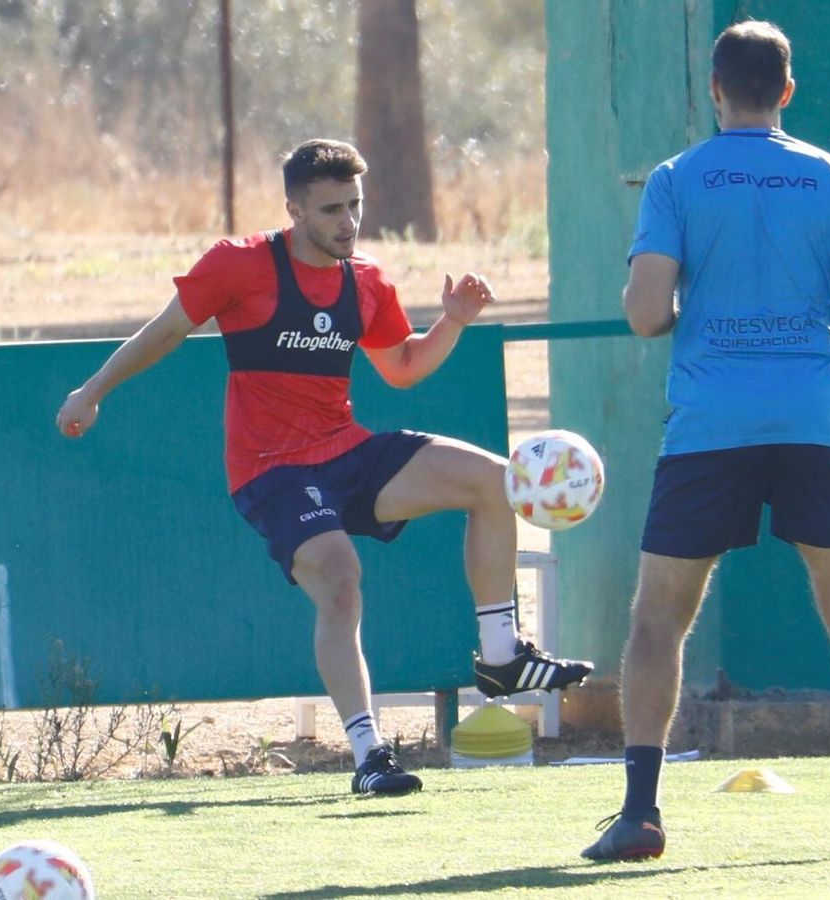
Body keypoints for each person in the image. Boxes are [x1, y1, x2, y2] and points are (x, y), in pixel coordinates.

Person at [56, 139, 592, 797]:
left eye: (355, 206)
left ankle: (503, 655)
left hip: (346, 451)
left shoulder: (365, 279)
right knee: (342, 579)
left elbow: (400, 368)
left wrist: (451, 324)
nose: (348, 221)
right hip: (269, 471)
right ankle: (370, 755)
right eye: (332, 208)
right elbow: (164, 332)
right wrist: (92, 391)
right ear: (294, 208)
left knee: (494, 480)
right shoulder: (240, 264)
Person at [580, 21, 830, 860]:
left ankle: (640, 816)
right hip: (817, 423)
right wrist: (828, 382)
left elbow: (643, 312)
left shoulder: (676, 179)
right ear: (787, 90)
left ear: (713, 88)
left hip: (709, 428)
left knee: (658, 619)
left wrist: (680, 314)